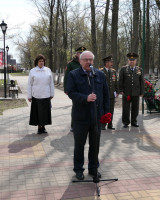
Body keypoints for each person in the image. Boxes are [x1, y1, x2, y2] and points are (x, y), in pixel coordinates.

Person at [66, 50, 109, 180]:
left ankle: (93, 168)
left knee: (95, 145)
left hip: (96, 117)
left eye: (91, 60)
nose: (89, 62)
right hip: (81, 116)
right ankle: (79, 169)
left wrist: (106, 112)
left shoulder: (99, 74)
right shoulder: (74, 75)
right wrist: (85, 98)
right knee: (79, 145)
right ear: (80, 61)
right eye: (86, 60)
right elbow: (70, 92)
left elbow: (106, 94)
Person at [27, 54, 54, 134]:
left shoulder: (48, 70)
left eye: (43, 61)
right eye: (40, 61)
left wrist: (52, 93)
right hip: (36, 95)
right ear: (37, 62)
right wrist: (29, 95)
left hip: (46, 94)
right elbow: (29, 84)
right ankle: (39, 127)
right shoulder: (32, 71)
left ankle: (44, 127)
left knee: (45, 113)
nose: (41, 62)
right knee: (38, 113)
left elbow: (51, 83)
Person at [64, 46, 86, 132]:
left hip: (85, 89)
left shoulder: (87, 63)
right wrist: (66, 89)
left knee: (85, 107)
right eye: (80, 53)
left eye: (83, 53)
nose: (81, 55)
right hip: (75, 90)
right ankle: (74, 125)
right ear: (76, 54)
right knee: (76, 107)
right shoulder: (71, 64)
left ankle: (84, 124)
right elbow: (66, 77)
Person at [119, 53, 144, 128]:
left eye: (133, 60)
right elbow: (120, 80)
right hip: (126, 92)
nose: (131, 61)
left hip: (136, 92)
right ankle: (125, 122)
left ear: (136, 61)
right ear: (128, 61)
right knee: (126, 108)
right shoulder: (123, 69)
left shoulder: (139, 69)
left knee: (135, 108)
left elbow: (141, 81)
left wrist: (142, 92)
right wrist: (121, 90)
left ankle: (134, 121)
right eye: (130, 60)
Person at [100, 55, 118, 130]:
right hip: (104, 95)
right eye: (110, 62)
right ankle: (103, 125)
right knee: (104, 109)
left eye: (112, 62)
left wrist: (117, 91)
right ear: (106, 63)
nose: (112, 63)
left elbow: (115, 82)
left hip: (111, 94)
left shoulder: (113, 71)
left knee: (111, 110)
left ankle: (110, 124)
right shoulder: (101, 71)